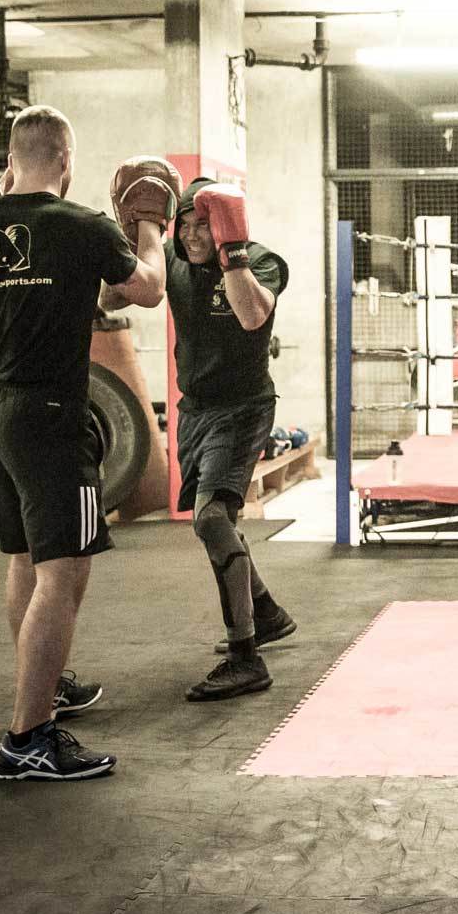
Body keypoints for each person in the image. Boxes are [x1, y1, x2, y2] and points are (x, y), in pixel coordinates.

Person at [0, 109, 167, 781]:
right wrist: (152, 228)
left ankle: (41, 688)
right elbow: (145, 288)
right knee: (66, 572)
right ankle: (28, 738)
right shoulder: (83, 227)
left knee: (26, 556)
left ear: (13, 159)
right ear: (66, 158)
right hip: (52, 419)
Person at [105, 177, 297, 701]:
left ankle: (246, 658)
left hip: (244, 409)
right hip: (196, 411)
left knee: (212, 519)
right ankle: (268, 613)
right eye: (182, 225)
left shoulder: (259, 260)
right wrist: (134, 233)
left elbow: (252, 314)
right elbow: (114, 296)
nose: (190, 237)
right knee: (219, 524)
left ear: (224, 225)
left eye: (201, 226)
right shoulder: (170, 256)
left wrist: (231, 253)